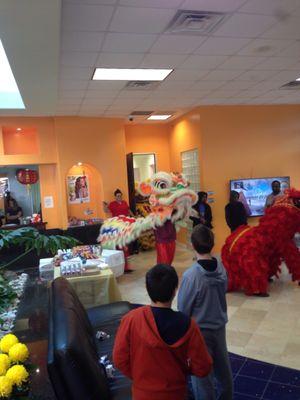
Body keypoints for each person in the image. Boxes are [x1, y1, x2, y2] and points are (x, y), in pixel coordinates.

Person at [113, 264, 212, 400]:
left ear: (148, 290)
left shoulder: (131, 319)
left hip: (142, 393)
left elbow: (119, 359)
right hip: (175, 394)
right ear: (175, 291)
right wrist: (184, 370)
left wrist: (139, 376)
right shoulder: (189, 324)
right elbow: (203, 367)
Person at [178, 225, 233, 400]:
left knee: (201, 375)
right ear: (212, 243)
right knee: (223, 368)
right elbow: (223, 289)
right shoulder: (221, 267)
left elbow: (183, 308)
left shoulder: (191, 276)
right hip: (219, 326)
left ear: (193, 245)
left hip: (200, 331)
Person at [103, 189, 135, 272]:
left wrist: (134, 217)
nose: (119, 197)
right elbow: (106, 211)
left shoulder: (124, 202)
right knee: (120, 246)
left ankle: (126, 267)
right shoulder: (112, 204)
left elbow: (128, 210)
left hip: (125, 226)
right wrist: (105, 205)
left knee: (126, 246)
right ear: (115, 197)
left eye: (120, 196)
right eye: (118, 196)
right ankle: (122, 267)